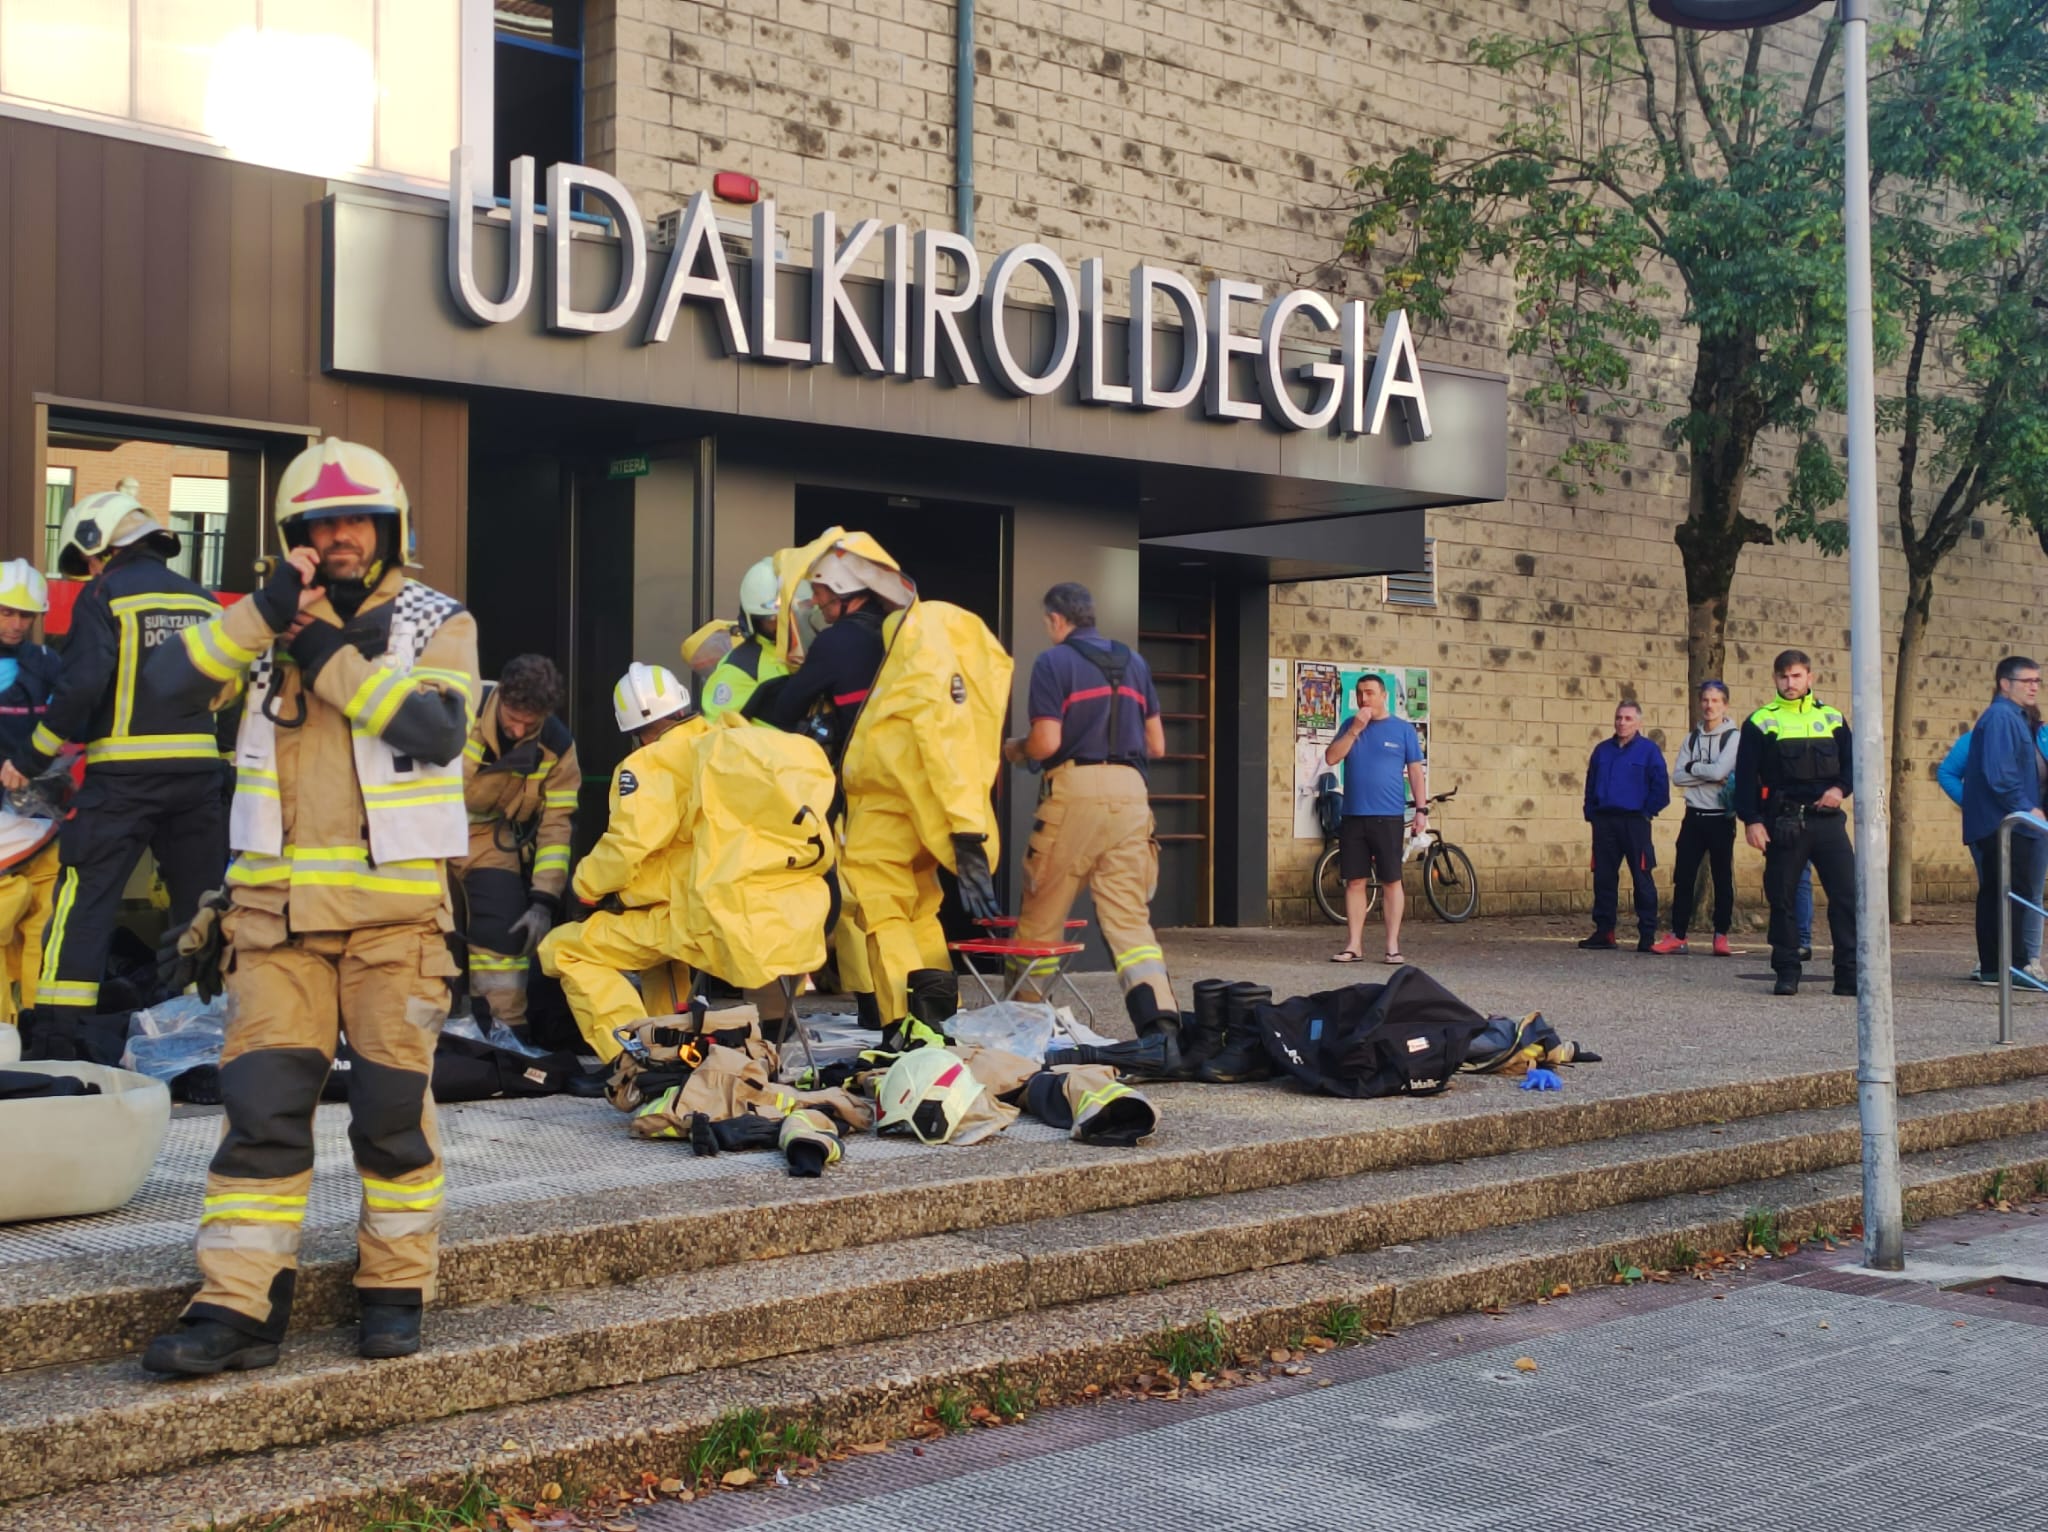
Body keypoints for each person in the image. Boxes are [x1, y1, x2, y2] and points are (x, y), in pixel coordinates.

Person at [140, 436, 479, 1373]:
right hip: (275, 921)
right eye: (317, 522)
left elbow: (435, 728)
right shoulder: (259, 622)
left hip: (394, 926)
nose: (336, 536)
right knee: (260, 1111)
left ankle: (395, 1286)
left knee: (391, 1115)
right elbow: (165, 690)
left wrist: (323, 646)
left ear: (388, 527)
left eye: (353, 519)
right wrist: (261, 615)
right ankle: (239, 1304)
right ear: (292, 533)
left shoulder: (435, 619)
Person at [4, 490, 230, 1051]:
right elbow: (229, 688)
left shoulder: (104, 594)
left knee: (84, 900)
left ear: (99, 543)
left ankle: (60, 1038)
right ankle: (200, 1036)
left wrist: (32, 758)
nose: (90, 572)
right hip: (199, 779)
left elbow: (81, 685)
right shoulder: (204, 600)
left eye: (90, 561)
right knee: (202, 908)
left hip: (123, 782)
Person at [769, 529, 1009, 1050]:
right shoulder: (911, 636)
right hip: (926, 805)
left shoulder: (837, 641)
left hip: (878, 799)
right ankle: (943, 1018)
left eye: (822, 594)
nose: (817, 604)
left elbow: (786, 708)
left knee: (882, 911)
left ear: (845, 590)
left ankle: (906, 1026)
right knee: (923, 910)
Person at [1002, 582, 1179, 1055]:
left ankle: (1022, 1025)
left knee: (1042, 916)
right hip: (1133, 795)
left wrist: (1014, 751)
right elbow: (1157, 745)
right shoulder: (1134, 662)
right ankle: (1161, 1031)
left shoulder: (1053, 663)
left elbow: (1046, 743)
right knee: (1130, 922)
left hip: (1076, 791)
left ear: (1056, 620)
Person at [538, 663, 705, 1063]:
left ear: (634, 731)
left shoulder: (649, 763)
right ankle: (675, 1048)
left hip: (681, 915)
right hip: (733, 909)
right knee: (658, 958)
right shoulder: (722, 742)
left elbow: (629, 843)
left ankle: (634, 1059)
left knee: (562, 950)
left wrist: (585, 888)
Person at [455, 654, 580, 1034]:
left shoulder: (557, 745)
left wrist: (544, 901)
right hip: (428, 838)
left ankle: (506, 1034)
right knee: (424, 939)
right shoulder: (459, 707)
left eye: (530, 722)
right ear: (501, 698)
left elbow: (557, 826)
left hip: (491, 840)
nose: (519, 727)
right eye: (513, 717)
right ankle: (421, 1037)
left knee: (504, 935)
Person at [1733, 649, 1855, 997]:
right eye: (1784, 677)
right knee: (1782, 898)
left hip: (1828, 819)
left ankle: (1848, 974)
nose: (1790, 683)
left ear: (1810, 678)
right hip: (1784, 821)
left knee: (1847, 897)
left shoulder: (1832, 718)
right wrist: (1752, 821)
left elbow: (1851, 766)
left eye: (1797, 676)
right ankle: (1787, 970)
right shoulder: (1761, 721)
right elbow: (1744, 779)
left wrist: (1840, 788)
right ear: (1775, 679)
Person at [1321, 672, 1426, 966]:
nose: (1363, 698)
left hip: (1388, 816)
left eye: (1369, 693)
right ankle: (1354, 945)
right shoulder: (1350, 726)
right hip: (1354, 814)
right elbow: (1331, 758)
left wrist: (1421, 810)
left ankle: (1392, 946)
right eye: (1359, 694)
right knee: (1355, 881)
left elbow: (1416, 772)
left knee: (1391, 880)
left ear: (1384, 696)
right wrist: (1355, 729)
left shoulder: (1403, 730)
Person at [1940, 711, 2048, 982]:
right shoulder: (1978, 738)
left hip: (2035, 825)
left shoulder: (2042, 737)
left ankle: (2030, 959)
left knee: (2030, 892)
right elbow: (1948, 772)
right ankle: (1991, 960)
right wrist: (1973, 804)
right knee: (1995, 890)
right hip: (1992, 826)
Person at [0, 561, 63, 1024]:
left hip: (41, 819)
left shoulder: (48, 665)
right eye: (6, 613)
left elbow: (68, 730)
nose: (17, 624)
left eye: (25, 615)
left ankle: (38, 1030)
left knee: (44, 926)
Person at [1961, 655, 2046, 986]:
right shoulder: (2000, 717)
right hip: (2002, 823)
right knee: (2009, 892)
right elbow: (2000, 774)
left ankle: (2003, 966)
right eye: (2027, 681)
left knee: (2004, 892)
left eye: (2037, 681)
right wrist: (2027, 808)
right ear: (2005, 684)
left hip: (2007, 821)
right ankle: (2007, 966)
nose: (2034, 687)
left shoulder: (2014, 717)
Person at [1652, 680, 1740, 956]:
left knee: (1722, 877)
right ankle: (1678, 935)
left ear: (1724, 704)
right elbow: (1678, 776)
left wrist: (1696, 770)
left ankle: (1721, 935)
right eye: (1705, 700)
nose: (1709, 706)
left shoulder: (1734, 737)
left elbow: (1719, 773)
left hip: (1721, 818)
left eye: (1715, 701)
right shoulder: (1691, 738)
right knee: (1684, 877)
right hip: (1693, 817)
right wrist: (1706, 771)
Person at [1578, 701, 1670, 952]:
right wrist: (1591, 812)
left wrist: (1646, 812)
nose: (1622, 723)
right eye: (1619, 718)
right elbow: (1590, 783)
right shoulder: (1602, 751)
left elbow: (1661, 788)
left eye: (1628, 718)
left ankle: (1647, 934)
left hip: (1635, 823)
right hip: (1605, 821)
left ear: (1638, 722)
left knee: (1642, 877)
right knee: (1604, 878)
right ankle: (1604, 932)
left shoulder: (1649, 752)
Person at [699, 556, 789, 723]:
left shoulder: (806, 650)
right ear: (753, 620)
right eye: (772, 619)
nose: (781, 623)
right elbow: (715, 734)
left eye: (787, 616)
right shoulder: (739, 667)